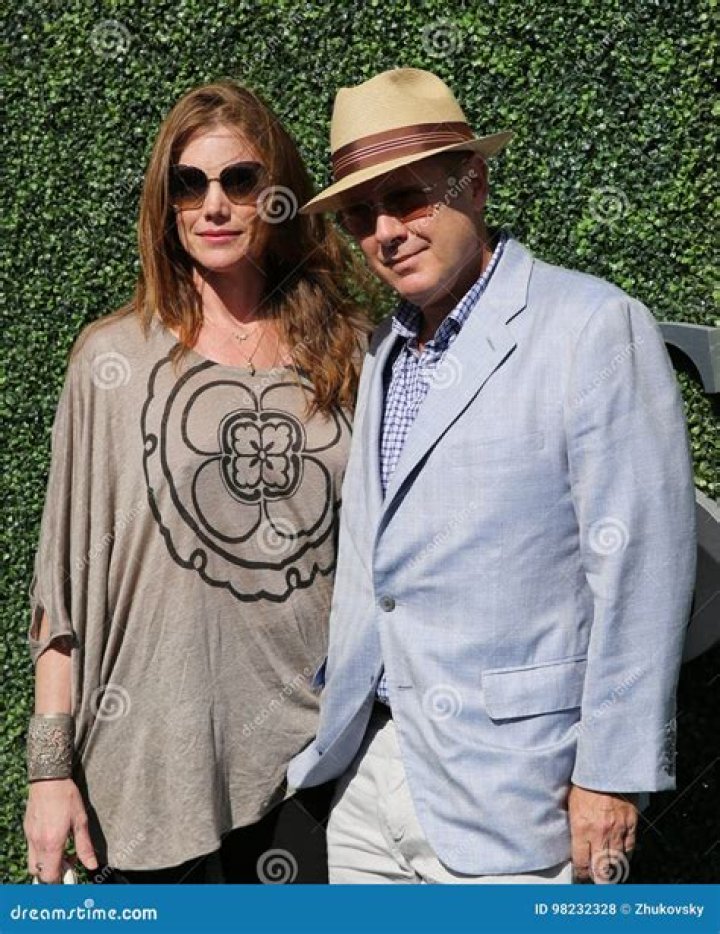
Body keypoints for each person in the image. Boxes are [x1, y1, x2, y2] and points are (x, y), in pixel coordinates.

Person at [287, 68, 697, 884]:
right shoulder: (384, 349)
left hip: (521, 795)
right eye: (361, 214)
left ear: (471, 183)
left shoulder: (590, 325)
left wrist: (611, 775)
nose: (385, 232)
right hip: (368, 780)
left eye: (408, 199)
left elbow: (642, 567)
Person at [24, 78, 369, 884]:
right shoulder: (111, 361)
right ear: (167, 202)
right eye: (190, 184)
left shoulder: (352, 352)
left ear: (278, 195)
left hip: (315, 764)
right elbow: (61, 590)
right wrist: (48, 772)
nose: (214, 205)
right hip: (151, 765)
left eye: (239, 181)